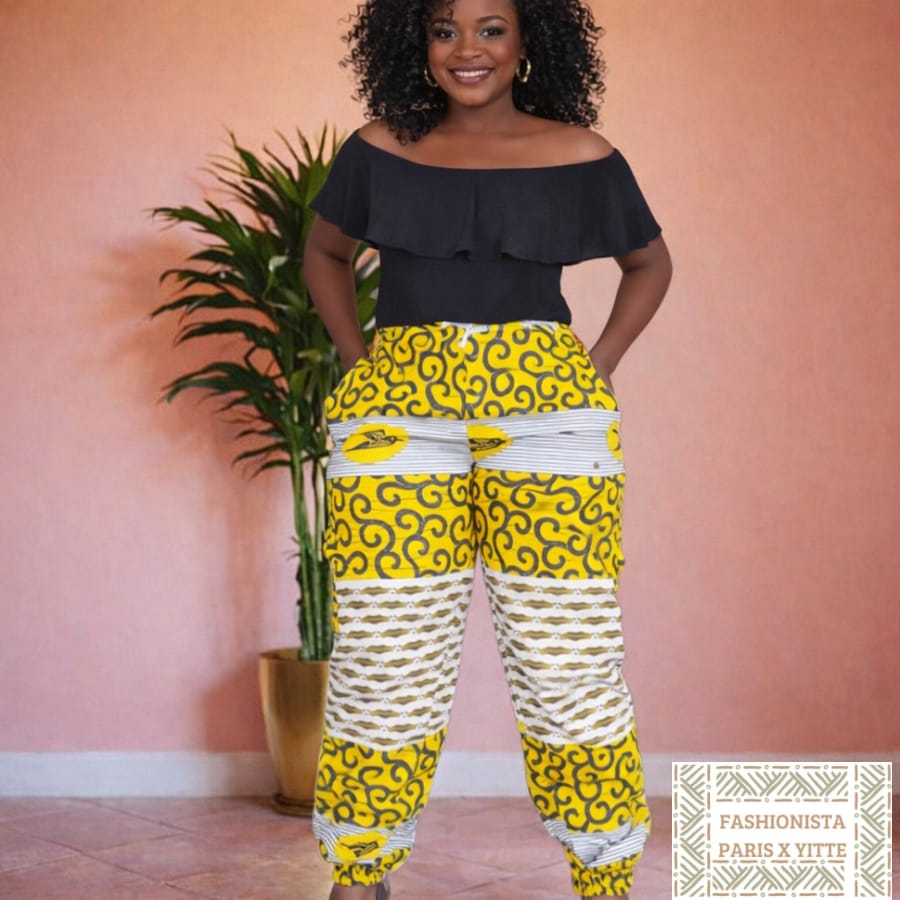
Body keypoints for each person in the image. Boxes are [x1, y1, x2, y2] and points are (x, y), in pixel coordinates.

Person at [303, 0, 673, 896]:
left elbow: (650, 264)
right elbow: (323, 254)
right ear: (415, 42)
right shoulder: (377, 148)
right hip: (400, 413)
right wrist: (358, 363)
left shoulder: (582, 154)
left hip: (550, 417)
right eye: (444, 29)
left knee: (567, 657)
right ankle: (360, 868)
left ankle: (604, 874)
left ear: (529, 40)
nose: (466, 49)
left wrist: (597, 365)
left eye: (490, 27)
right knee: (386, 652)